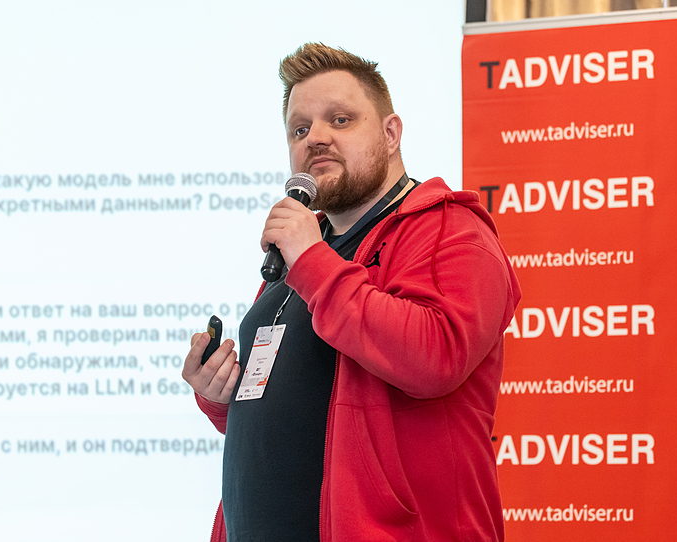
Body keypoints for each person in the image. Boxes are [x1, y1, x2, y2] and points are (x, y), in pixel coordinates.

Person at [182, 43, 521, 542]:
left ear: (391, 133)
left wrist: (312, 260)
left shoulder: (451, 230)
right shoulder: (298, 253)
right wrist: (220, 395)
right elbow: (297, 407)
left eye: (340, 120)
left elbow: (435, 357)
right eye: (300, 130)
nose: (316, 137)